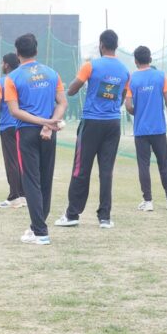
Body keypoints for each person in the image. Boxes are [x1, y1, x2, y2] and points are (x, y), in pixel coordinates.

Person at [55, 29, 130, 229]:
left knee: (81, 169)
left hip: (92, 122)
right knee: (106, 171)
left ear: (101, 45)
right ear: (116, 46)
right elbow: (121, 97)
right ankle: (105, 217)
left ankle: (72, 215)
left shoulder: (90, 66)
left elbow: (72, 90)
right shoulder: (125, 71)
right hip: (113, 124)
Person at [5, 34, 67, 245]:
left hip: (27, 133)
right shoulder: (52, 73)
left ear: (17, 53)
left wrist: (44, 123)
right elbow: (62, 103)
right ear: (36, 51)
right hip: (48, 132)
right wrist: (49, 124)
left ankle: (40, 232)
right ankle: (36, 227)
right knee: (45, 180)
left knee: (31, 181)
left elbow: (14, 111)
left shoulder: (12, 78)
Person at [125, 46, 167, 212]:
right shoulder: (161, 76)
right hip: (158, 129)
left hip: (140, 131)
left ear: (135, 61)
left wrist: (138, 113)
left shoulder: (132, 79)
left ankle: (148, 202)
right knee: (163, 164)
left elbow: (128, 105)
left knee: (143, 165)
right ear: (150, 59)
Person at [0, 53, 25, 209]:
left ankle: (14, 197)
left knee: (11, 161)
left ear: (6, 65)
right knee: (23, 161)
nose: (1, 65)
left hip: (7, 125)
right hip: (24, 124)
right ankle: (25, 196)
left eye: (2, 63)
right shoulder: (23, 79)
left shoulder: (0, 82)